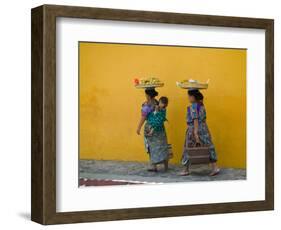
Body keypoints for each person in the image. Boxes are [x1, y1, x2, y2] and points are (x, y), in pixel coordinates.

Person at [180, 89, 220, 176]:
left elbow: (195, 120)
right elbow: (204, 120)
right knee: (208, 147)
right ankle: (215, 167)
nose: (188, 98)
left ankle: (185, 169)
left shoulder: (193, 107)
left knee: (188, 147)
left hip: (194, 129)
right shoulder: (201, 106)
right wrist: (208, 132)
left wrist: (195, 133)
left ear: (193, 97)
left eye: (189, 96)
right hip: (204, 129)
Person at [136, 88, 169, 172]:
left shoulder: (146, 105)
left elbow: (143, 117)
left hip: (150, 127)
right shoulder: (158, 103)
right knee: (162, 145)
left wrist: (138, 127)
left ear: (148, 95)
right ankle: (165, 165)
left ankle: (153, 165)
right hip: (160, 127)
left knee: (151, 146)